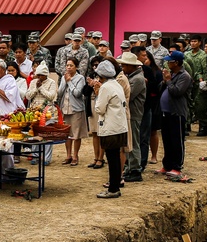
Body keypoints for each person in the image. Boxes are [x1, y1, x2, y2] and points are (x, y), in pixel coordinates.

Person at [91, 60, 128, 198]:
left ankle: (113, 189)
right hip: (120, 126)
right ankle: (115, 185)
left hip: (110, 127)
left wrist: (97, 93)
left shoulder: (106, 87)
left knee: (112, 158)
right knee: (116, 158)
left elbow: (100, 109)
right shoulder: (117, 84)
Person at [158, 51, 193, 177]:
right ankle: (167, 165)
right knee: (166, 140)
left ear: (176, 62)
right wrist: (164, 81)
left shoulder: (185, 76)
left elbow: (177, 92)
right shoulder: (171, 74)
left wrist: (168, 81)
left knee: (176, 140)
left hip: (177, 112)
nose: (168, 63)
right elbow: (162, 89)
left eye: (170, 61)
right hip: (166, 112)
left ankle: (177, 166)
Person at [118, 52, 146, 182]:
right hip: (132, 113)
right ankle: (130, 167)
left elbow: (128, 95)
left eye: (124, 65)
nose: (123, 67)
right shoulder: (133, 77)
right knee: (130, 141)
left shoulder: (137, 79)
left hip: (134, 114)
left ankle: (135, 169)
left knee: (133, 142)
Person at [25, 61, 57, 165]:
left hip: (48, 112)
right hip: (35, 112)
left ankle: (46, 158)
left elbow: (51, 96)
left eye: (41, 75)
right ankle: (35, 155)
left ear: (45, 75)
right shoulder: (33, 82)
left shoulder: (52, 82)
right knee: (35, 135)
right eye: (37, 75)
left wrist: (41, 88)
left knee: (47, 136)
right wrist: (35, 88)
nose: (39, 77)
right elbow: (28, 96)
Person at [56, 58, 87, 166]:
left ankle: (75, 155)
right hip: (65, 107)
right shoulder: (64, 77)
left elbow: (77, 93)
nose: (69, 67)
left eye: (71, 65)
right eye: (67, 65)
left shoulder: (80, 78)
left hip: (76, 109)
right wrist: (65, 81)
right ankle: (68, 155)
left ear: (76, 67)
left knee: (76, 134)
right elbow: (59, 93)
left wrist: (69, 81)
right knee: (67, 133)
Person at [185, 35, 207, 136]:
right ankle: (187, 125)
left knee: (200, 106)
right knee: (187, 104)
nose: (193, 43)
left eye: (195, 41)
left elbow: (205, 70)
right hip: (187, 83)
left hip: (199, 84)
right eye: (191, 41)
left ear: (200, 43)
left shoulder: (204, 55)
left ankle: (203, 127)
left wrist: (203, 82)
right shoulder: (186, 54)